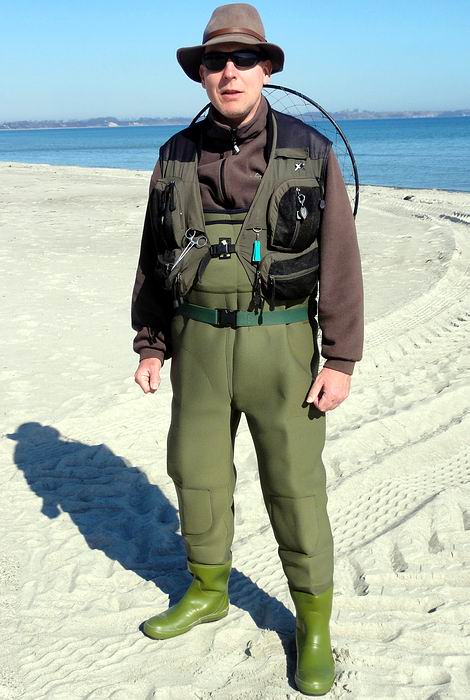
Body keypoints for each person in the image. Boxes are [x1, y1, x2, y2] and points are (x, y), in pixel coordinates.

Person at [131, 3, 364, 695]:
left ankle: (312, 624)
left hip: (281, 345)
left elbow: (341, 261)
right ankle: (208, 589)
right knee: (196, 472)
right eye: (215, 60)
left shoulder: (310, 151)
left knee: (295, 486)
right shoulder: (174, 154)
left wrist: (341, 359)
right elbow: (153, 257)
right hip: (197, 342)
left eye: (243, 59)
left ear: (266, 69)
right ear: (201, 73)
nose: (228, 71)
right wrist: (151, 343)